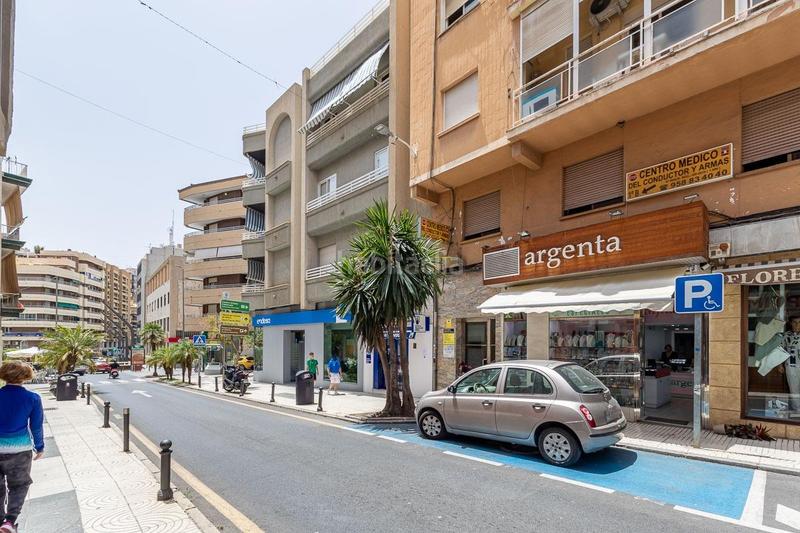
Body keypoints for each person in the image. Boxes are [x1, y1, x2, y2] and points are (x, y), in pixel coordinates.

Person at [0, 361, 44, 533]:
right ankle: (9, 521)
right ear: (26, 376)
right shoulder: (33, 398)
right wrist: (39, 447)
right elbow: (36, 426)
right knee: (19, 485)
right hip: (20, 450)